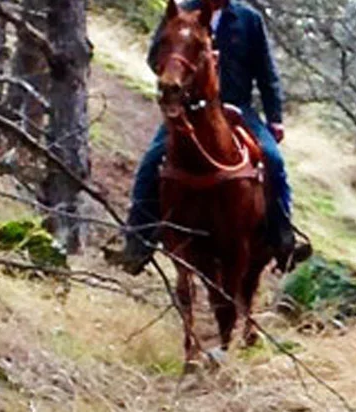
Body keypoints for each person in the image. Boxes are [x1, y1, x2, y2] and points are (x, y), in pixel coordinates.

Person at [115, 0, 302, 273]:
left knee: (273, 159)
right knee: (152, 161)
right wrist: (174, 77)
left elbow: (266, 72)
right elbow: (156, 55)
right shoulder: (179, 13)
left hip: (237, 107)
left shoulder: (249, 19)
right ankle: (138, 240)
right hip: (190, 108)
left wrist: (275, 118)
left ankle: (282, 236)